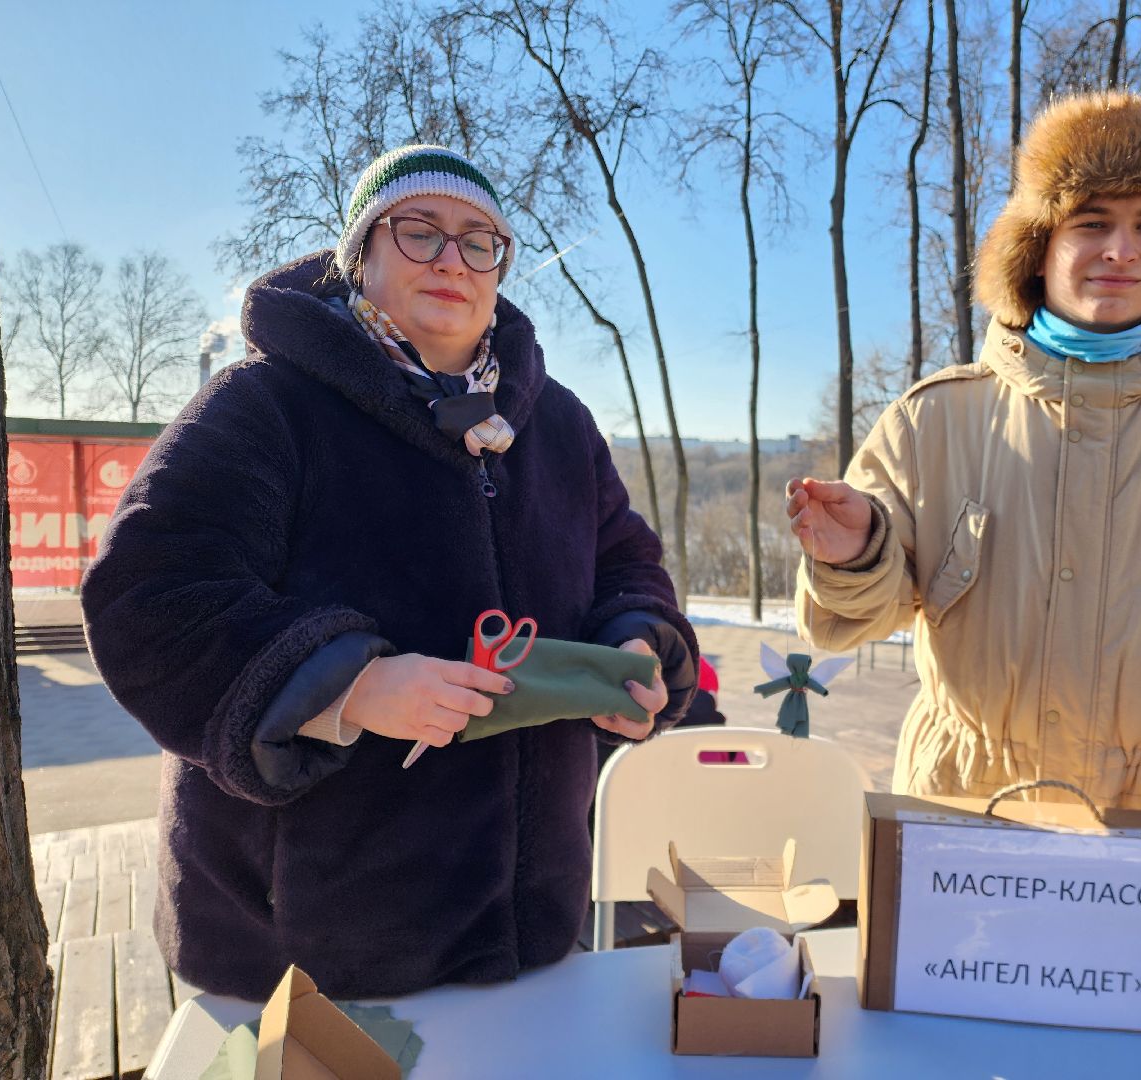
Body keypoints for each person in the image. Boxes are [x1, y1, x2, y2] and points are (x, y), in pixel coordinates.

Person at [81, 144, 698, 1000]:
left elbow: (628, 561)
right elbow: (148, 599)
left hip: (533, 935)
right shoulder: (266, 405)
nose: (453, 259)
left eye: (480, 241)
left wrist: (637, 643)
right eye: (420, 232)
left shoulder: (556, 424)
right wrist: (349, 686)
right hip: (305, 960)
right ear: (360, 254)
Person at [787, 89, 1141, 851]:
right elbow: (849, 624)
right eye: (1092, 223)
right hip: (963, 809)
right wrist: (855, 556)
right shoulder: (934, 415)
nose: (1123, 250)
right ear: (1038, 245)